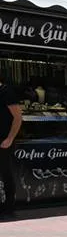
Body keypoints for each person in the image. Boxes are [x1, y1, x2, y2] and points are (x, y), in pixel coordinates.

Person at [0, 77, 22, 218]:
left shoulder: (6, 92)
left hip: (4, 141)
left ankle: (9, 208)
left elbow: (18, 117)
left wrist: (10, 138)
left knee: (5, 173)